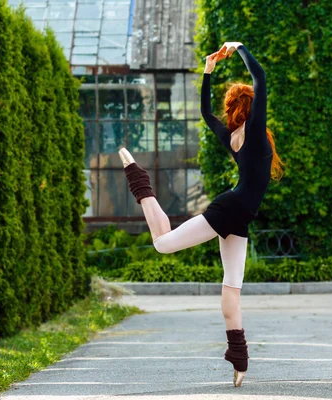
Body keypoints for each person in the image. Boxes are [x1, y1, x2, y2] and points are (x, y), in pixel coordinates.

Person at [118, 41, 283, 387]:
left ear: (234, 108)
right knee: (163, 244)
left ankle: (238, 358)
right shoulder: (251, 133)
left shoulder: (234, 136)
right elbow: (261, 76)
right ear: (252, 107)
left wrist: (209, 70)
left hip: (239, 216)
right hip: (231, 209)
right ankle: (140, 181)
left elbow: (207, 114)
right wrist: (240, 48)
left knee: (232, 287)